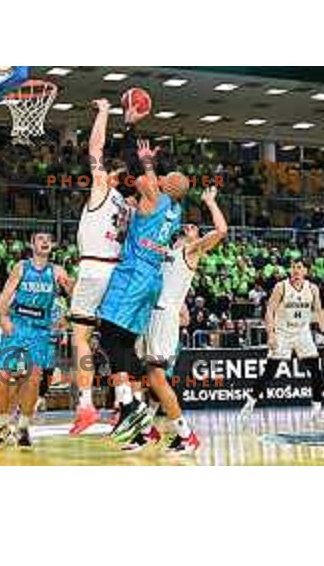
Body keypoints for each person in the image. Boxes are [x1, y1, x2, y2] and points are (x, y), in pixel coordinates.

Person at [96, 139, 189, 445]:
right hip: (152, 281)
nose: (159, 179)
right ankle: (134, 408)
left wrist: (145, 158)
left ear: (166, 184)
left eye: (164, 178)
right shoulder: (175, 210)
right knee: (126, 343)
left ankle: (130, 406)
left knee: (109, 335)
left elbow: (135, 175)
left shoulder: (157, 197)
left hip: (134, 276)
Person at [127, 186, 227, 453]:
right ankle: (146, 430)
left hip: (163, 317)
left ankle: (186, 435)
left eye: (195, 228)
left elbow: (221, 232)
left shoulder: (189, 253)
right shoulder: (165, 251)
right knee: (137, 374)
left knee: (157, 378)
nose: (190, 228)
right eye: (188, 226)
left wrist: (210, 203)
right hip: (147, 315)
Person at [69, 98, 144, 435]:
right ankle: (127, 403)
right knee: (118, 343)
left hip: (94, 269)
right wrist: (130, 126)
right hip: (118, 273)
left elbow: (95, 147)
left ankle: (85, 405)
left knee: (81, 338)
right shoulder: (131, 205)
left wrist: (102, 112)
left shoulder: (103, 187)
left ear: (110, 173)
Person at [0, 232, 72, 449]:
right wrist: (4, 318)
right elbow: (5, 294)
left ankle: (23, 427)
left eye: (48, 239)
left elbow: (75, 296)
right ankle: (0, 425)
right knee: (2, 376)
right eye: (40, 239)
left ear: (52, 245)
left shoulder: (57, 271)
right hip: (18, 324)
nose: (45, 242)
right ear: (32, 244)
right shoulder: (21, 267)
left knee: (33, 378)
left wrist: (66, 312)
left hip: (40, 330)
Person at [240, 259, 324, 417]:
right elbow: (269, 311)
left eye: (299, 267)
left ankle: (317, 406)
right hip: (282, 332)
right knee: (270, 372)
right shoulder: (281, 287)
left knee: (315, 370)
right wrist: (271, 334)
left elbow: (319, 311)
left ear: (305, 271)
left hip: (302, 332)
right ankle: (250, 402)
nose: (295, 270)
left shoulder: (312, 288)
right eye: (293, 267)